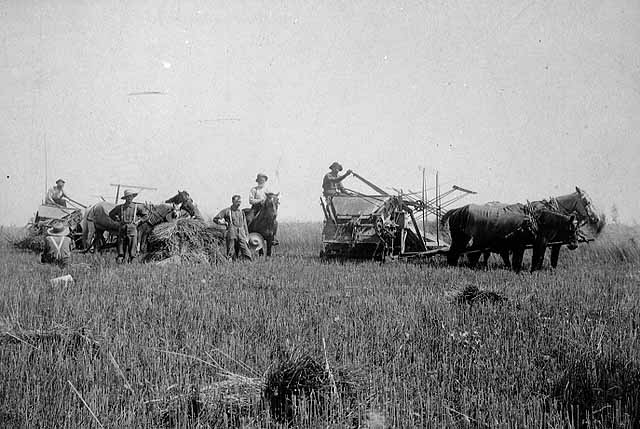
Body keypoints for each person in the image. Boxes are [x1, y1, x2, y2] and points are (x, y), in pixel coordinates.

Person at [108, 189, 149, 263]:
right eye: (128, 197)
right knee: (121, 247)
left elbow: (146, 216)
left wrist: (139, 222)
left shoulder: (137, 207)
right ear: (125, 198)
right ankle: (120, 261)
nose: (129, 198)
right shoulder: (120, 207)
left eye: (131, 197)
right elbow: (111, 214)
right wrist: (117, 220)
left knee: (132, 248)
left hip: (133, 229)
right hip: (122, 228)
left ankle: (131, 262)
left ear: (133, 197)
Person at [214, 195, 252, 260]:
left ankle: (248, 263)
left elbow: (244, 225)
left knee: (245, 249)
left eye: (240, 202)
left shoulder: (241, 212)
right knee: (230, 250)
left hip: (241, 233)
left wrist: (247, 235)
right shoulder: (227, 211)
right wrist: (223, 223)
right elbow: (215, 219)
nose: (239, 203)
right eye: (237, 201)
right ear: (233, 201)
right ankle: (230, 264)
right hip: (231, 232)